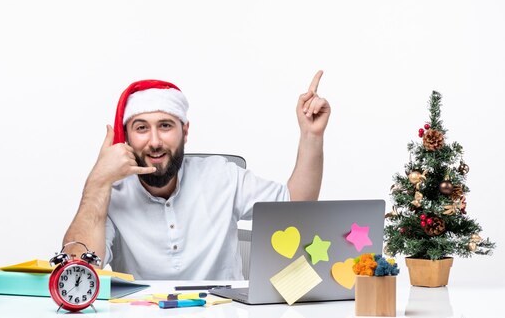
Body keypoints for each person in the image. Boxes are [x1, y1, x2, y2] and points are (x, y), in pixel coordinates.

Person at [63, 71, 330, 280]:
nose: (154, 141)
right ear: (127, 138)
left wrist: (311, 135)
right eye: (141, 128)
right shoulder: (112, 193)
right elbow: (78, 269)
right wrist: (98, 180)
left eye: (165, 126)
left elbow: (295, 206)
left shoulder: (222, 176)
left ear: (185, 131)